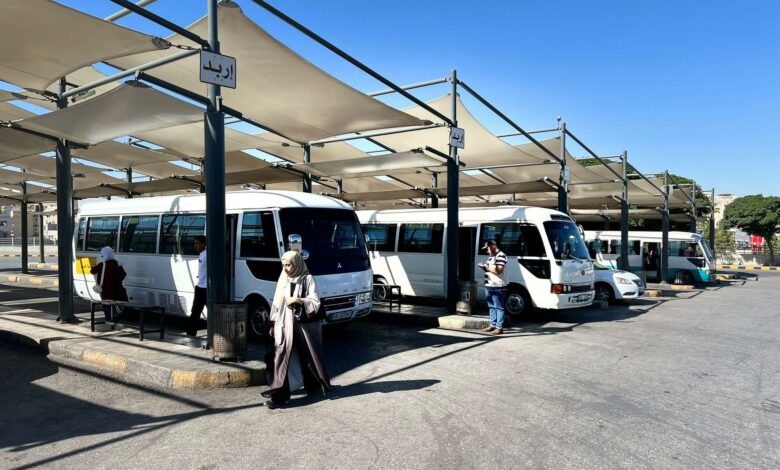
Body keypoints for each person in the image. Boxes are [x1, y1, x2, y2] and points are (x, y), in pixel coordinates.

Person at [262, 251, 331, 408]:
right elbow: (276, 302)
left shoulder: (307, 278)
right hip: (284, 324)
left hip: (304, 326)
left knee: (308, 356)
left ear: (297, 264)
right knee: (281, 356)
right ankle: (279, 397)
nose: (285, 268)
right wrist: (272, 323)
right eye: (283, 265)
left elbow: (315, 302)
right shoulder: (283, 278)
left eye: (288, 265)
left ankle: (314, 386)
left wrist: (299, 300)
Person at [90, 246, 127, 322]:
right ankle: (115, 318)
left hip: (106, 290)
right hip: (117, 290)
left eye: (102, 255)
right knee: (115, 306)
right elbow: (123, 274)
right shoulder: (117, 264)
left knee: (106, 306)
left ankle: (109, 320)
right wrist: (117, 281)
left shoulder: (102, 264)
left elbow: (92, 271)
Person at [479, 240, 508, 336]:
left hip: (498, 286)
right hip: (489, 285)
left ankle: (499, 327)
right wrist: (484, 267)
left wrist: (486, 268)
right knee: (491, 306)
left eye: (487, 248)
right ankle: (492, 325)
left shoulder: (501, 256)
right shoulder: (491, 256)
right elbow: (491, 269)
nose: (487, 251)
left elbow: (499, 270)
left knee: (499, 307)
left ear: (492, 246)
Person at [187, 235, 207, 337]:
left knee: (196, 312)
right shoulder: (201, 254)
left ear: (203, 244)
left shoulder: (207, 255)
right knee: (195, 312)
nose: (195, 245)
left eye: (197, 243)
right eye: (194, 244)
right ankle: (191, 334)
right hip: (200, 287)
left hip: (206, 289)